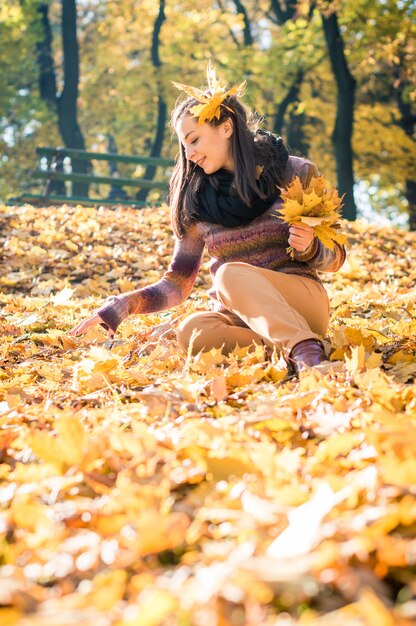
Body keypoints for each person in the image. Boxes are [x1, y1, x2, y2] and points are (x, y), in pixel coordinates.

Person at [69, 66, 346, 377]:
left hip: (302, 302)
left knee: (228, 275)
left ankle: (305, 351)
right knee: (192, 330)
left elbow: (336, 256)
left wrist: (311, 248)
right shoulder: (198, 200)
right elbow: (176, 284)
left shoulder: (294, 172)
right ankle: (293, 350)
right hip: (244, 318)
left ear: (226, 127)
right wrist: (121, 306)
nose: (190, 154)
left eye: (194, 139)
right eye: (184, 146)